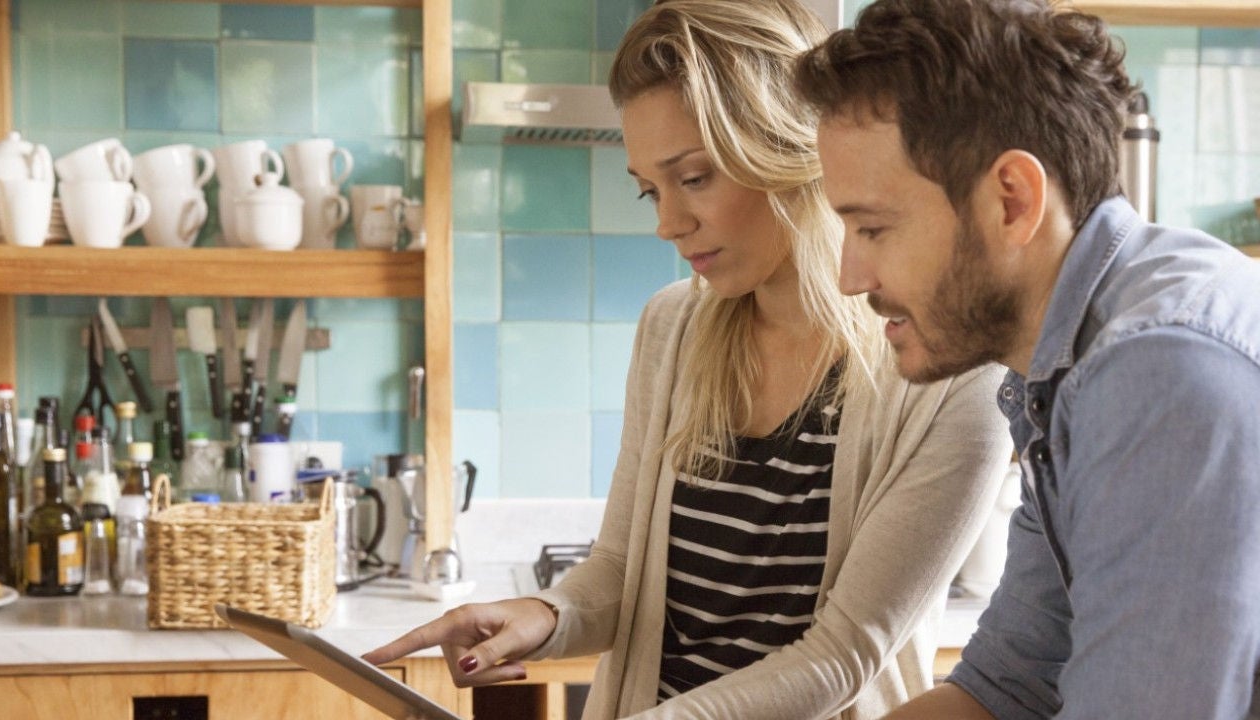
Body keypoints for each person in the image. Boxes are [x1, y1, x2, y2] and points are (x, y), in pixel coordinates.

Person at [365, 1, 1012, 717]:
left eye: (695, 177)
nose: (668, 224)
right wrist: (543, 617)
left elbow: (844, 657)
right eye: (650, 189)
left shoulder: (951, 377)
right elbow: (617, 570)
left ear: (786, 147)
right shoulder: (671, 328)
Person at [794, 0, 1260, 717]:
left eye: (873, 227)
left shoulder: (1162, 369)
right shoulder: (1060, 366)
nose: (850, 277)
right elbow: (1008, 686)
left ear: (1012, 201)